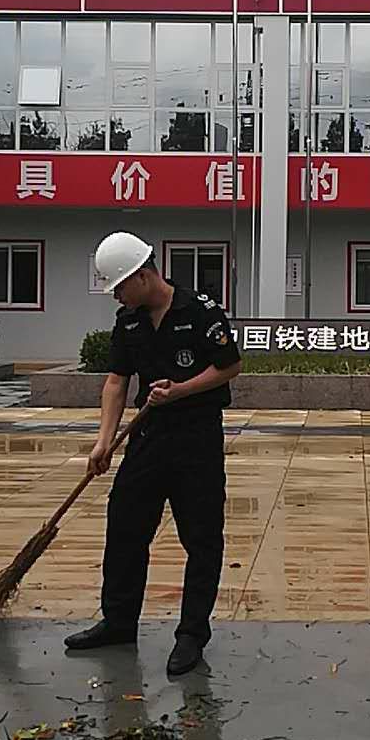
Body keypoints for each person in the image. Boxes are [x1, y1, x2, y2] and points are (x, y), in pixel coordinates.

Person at [65, 232, 241, 676]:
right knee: (125, 526)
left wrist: (181, 390)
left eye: (120, 286)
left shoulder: (200, 310)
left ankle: (191, 634)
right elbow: (116, 381)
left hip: (197, 438)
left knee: (201, 538)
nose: (117, 296)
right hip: (147, 438)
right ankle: (118, 621)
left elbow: (229, 366)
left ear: (143, 275)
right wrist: (103, 440)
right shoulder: (128, 321)